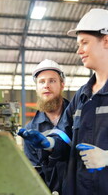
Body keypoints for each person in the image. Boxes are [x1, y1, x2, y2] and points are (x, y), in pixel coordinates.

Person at [19, 8, 108, 195]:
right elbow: (66, 140)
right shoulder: (82, 96)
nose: (79, 50)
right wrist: (49, 144)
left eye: (84, 42)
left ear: (106, 41)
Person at [19, 59, 71, 194]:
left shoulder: (78, 117)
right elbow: (36, 173)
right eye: (41, 82)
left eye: (52, 81)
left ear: (62, 85)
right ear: (36, 88)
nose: (46, 86)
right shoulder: (32, 129)